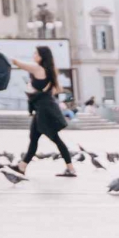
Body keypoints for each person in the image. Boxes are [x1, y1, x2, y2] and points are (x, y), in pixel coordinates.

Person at [9, 45, 74, 177]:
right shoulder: (50, 71)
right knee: (34, 138)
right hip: (44, 109)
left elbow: (18, 63)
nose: (34, 55)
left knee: (55, 139)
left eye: (36, 53)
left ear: (41, 56)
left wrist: (2, 56)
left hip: (44, 111)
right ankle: (22, 166)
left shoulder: (37, 68)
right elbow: (55, 90)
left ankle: (71, 169)